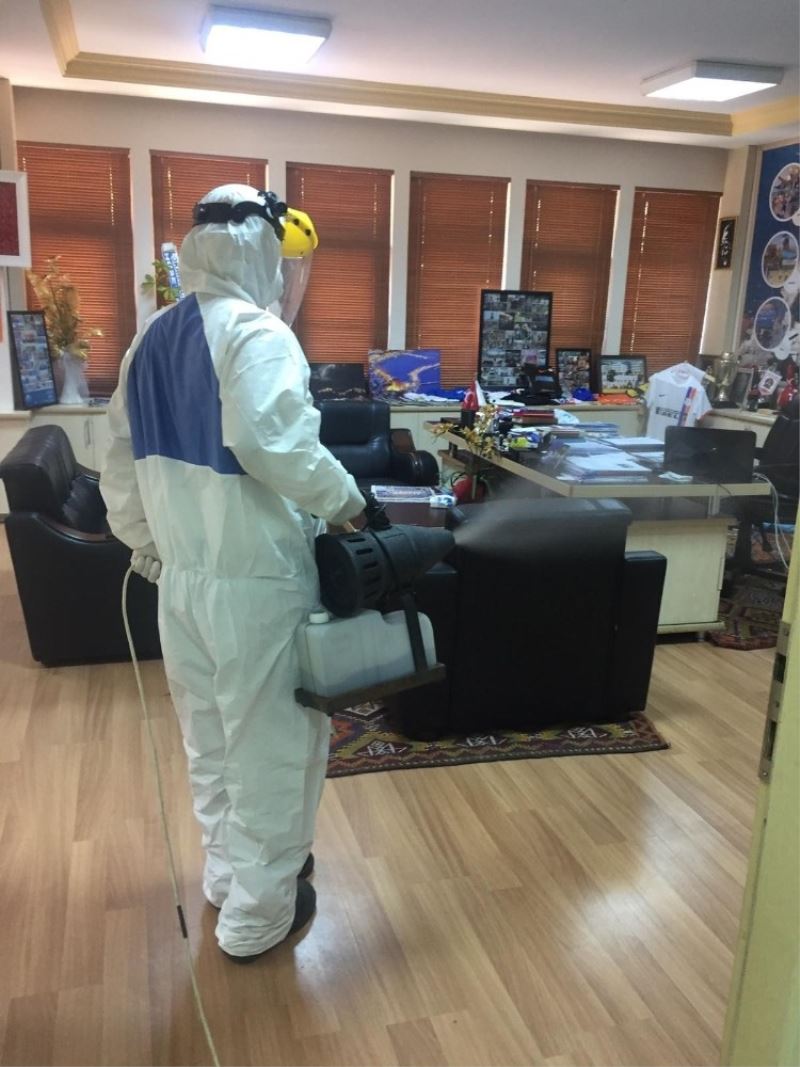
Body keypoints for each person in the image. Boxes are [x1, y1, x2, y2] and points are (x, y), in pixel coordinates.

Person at [100, 185, 365, 961]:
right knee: (271, 748)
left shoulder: (151, 339)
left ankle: (227, 877)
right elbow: (273, 444)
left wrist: (151, 548)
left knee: (211, 741)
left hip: (181, 585)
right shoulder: (257, 332)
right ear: (262, 253)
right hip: (258, 584)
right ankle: (259, 916)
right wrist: (351, 502)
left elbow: (118, 466)